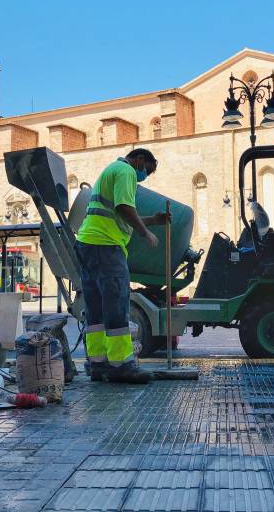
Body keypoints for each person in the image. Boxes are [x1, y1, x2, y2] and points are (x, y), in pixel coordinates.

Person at [75, 148, 168, 383]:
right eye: (146, 170)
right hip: (107, 246)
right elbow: (124, 209)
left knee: (95, 310)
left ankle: (97, 364)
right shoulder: (126, 170)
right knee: (116, 305)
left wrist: (152, 221)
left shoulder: (111, 169)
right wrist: (146, 232)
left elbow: (117, 214)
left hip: (87, 243)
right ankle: (121, 365)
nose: (144, 176)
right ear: (139, 160)